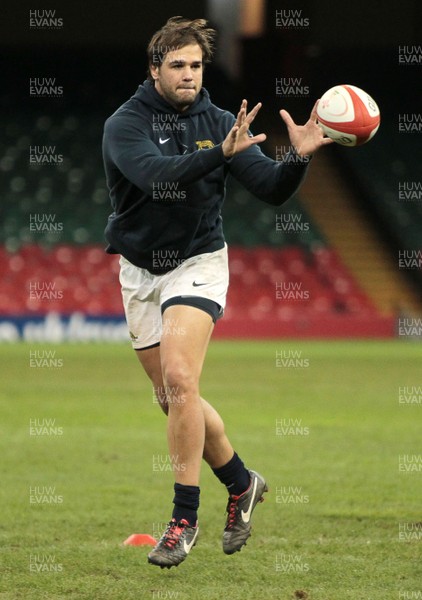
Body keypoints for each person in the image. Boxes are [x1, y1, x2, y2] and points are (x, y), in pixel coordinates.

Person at [102, 16, 333, 569]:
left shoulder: (221, 121)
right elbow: (157, 173)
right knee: (172, 400)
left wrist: (296, 158)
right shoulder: (124, 124)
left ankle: (183, 520)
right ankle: (241, 481)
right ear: (154, 69)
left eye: (196, 65)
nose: (188, 75)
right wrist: (219, 154)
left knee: (182, 380)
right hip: (140, 272)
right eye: (177, 65)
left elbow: (272, 189)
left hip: (200, 263)